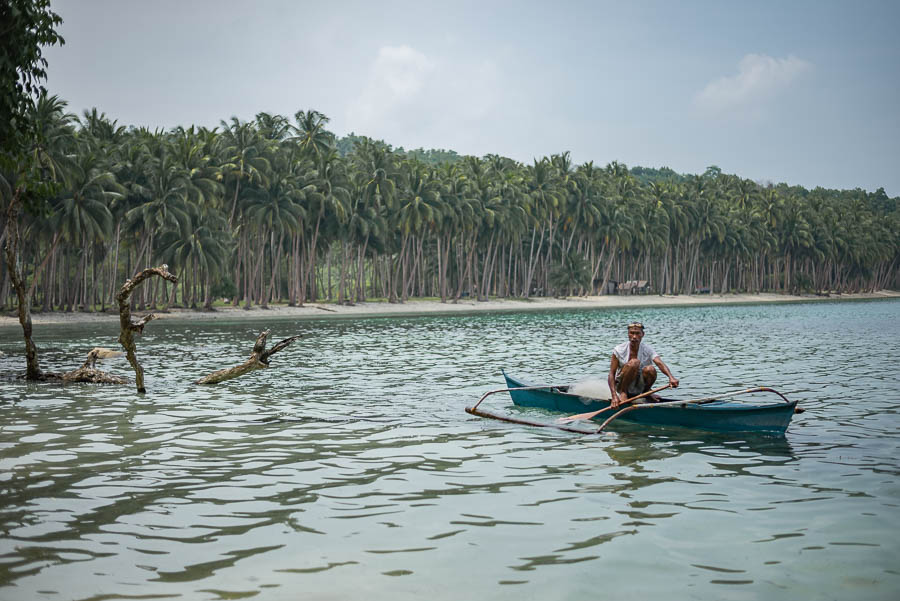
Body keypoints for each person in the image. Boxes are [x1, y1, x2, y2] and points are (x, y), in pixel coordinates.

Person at [608, 321, 679, 408]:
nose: (634, 337)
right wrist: (614, 396)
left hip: (639, 385)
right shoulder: (619, 349)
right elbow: (612, 373)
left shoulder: (647, 349)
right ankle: (624, 393)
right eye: (632, 333)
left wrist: (671, 377)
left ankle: (646, 392)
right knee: (634, 362)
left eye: (637, 333)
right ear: (628, 334)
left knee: (650, 369)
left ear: (642, 334)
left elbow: (659, 363)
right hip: (621, 385)